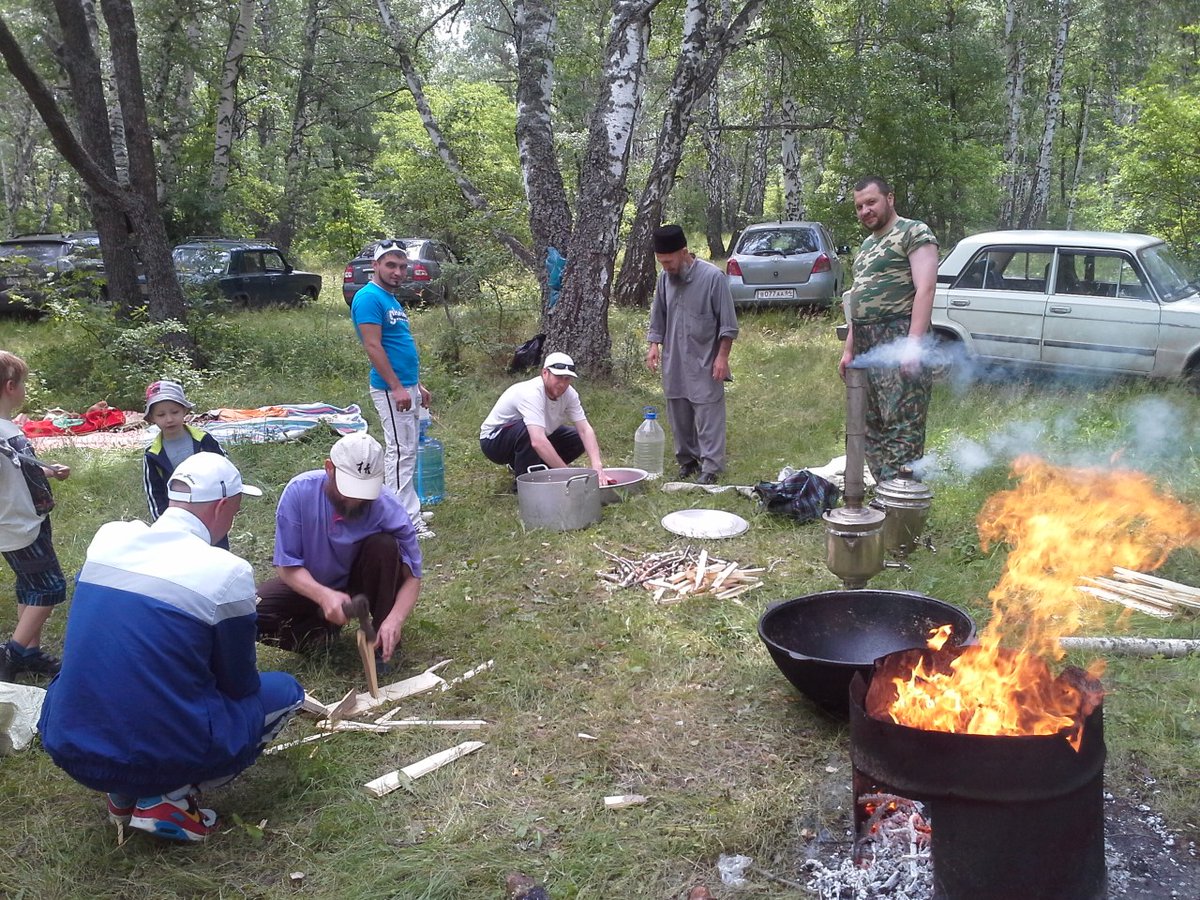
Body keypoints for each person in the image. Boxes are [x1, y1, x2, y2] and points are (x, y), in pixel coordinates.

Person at [37, 452, 303, 842]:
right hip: (160, 751)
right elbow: (238, 683)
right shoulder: (226, 573)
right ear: (224, 505)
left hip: (69, 740)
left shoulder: (109, 538)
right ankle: (171, 795)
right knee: (284, 691)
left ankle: (125, 792)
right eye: (237, 510)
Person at [256, 432, 422, 667]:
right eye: (348, 489)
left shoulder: (388, 508)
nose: (354, 500)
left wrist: (395, 619)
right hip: (311, 583)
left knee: (384, 546)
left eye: (363, 491)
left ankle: (384, 641)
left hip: (359, 581)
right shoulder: (299, 493)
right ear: (329, 468)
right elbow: (287, 567)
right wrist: (324, 596)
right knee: (254, 612)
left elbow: (413, 577)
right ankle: (318, 637)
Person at [837, 176, 939, 482]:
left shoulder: (914, 231)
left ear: (889, 198)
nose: (865, 211)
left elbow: (926, 289)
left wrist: (913, 346)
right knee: (871, 425)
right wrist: (848, 349)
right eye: (859, 207)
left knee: (902, 426)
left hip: (898, 336)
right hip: (867, 342)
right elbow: (858, 301)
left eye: (871, 202)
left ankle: (903, 507)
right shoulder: (867, 246)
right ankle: (885, 493)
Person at [350, 239, 434, 539]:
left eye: (402, 266)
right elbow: (372, 345)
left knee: (409, 450)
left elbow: (398, 344)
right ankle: (405, 520)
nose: (398, 271)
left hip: (406, 386)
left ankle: (405, 505)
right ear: (375, 266)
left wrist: (416, 385)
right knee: (400, 452)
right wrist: (397, 387)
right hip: (390, 389)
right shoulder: (368, 298)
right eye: (391, 265)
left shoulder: (391, 299)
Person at [645, 224, 738, 484]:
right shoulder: (664, 279)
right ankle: (687, 461)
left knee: (708, 414)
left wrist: (722, 358)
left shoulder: (713, 278)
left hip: (706, 359)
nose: (666, 267)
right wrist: (654, 345)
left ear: (684, 252)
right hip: (674, 358)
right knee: (679, 412)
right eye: (661, 262)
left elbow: (728, 325)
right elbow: (658, 316)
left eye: (669, 261)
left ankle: (711, 467)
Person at [0, 351, 70, 681]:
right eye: (23, 384)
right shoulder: (3, 434)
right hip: (18, 525)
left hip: (26, 521)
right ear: (11, 387)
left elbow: (19, 471)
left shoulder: (7, 430)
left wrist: (48, 471)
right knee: (50, 588)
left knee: (30, 586)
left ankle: (28, 652)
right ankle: (11, 653)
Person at [479, 352, 612, 484]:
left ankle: (539, 470)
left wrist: (597, 467)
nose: (562, 383)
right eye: (558, 377)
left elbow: (585, 430)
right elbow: (538, 441)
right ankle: (526, 483)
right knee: (528, 431)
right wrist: (569, 476)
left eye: (567, 378)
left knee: (577, 437)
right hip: (494, 441)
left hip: (533, 436)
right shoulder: (531, 393)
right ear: (544, 373)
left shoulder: (570, 394)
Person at [142, 379, 228, 546]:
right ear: (152, 418)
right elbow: (154, 492)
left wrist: (225, 504)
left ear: (185, 411)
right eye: (161, 415)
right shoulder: (152, 455)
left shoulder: (204, 440)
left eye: (174, 412)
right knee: (185, 553)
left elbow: (225, 469)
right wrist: (162, 522)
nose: (169, 419)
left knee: (217, 549)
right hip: (177, 516)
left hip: (210, 510)